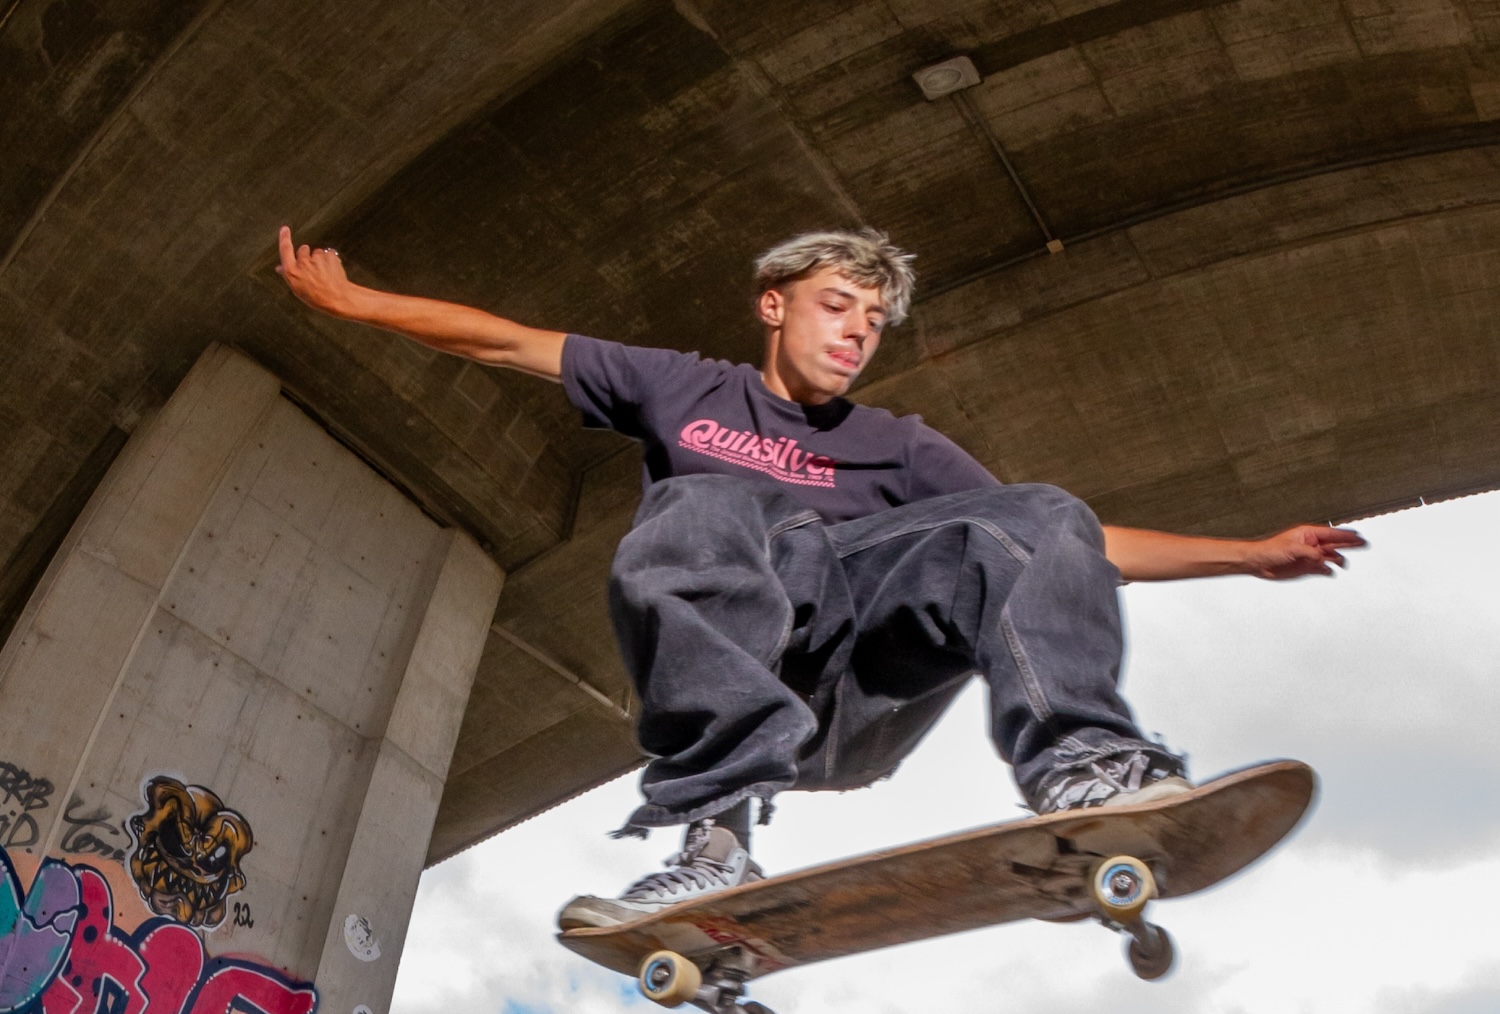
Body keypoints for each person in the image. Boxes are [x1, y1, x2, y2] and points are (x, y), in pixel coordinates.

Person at [277, 225, 1364, 926]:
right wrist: (358, 305)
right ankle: (714, 840)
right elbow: (506, 343)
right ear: (776, 303)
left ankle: (1087, 767)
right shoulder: (682, 390)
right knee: (706, 504)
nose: (857, 334)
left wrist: (1247, 555)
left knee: (1033, 510)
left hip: (860, 704)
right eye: (839, 305)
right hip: (747, 684)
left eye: (874, 322)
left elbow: (1056, 547)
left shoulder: (899, 444)